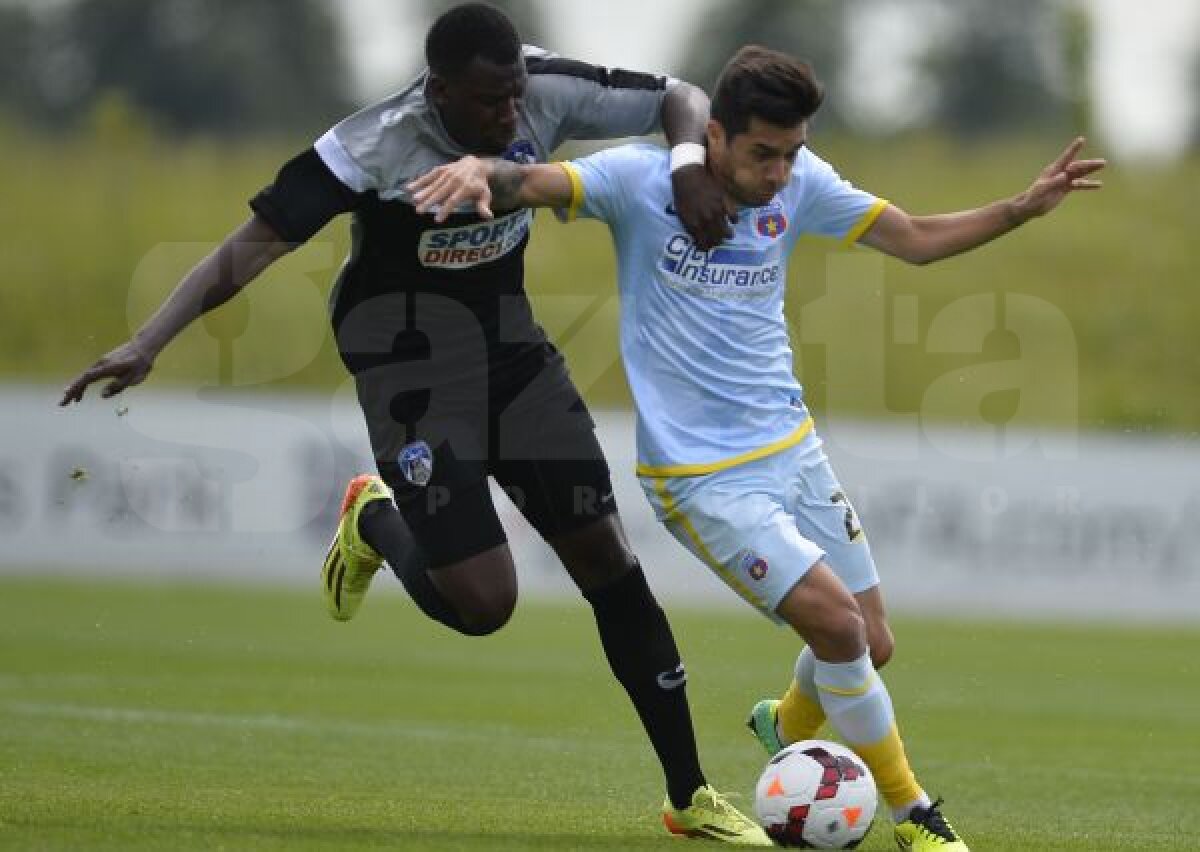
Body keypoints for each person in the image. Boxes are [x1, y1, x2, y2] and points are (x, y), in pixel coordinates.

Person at [59, 4, 771, 844]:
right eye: (486, 102)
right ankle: (372, 520)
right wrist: (148, 341)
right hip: (407, 362)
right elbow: (247, 249)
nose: (509, 117)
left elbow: (682, 95)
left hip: (511, 352)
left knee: (606, 557)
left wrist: (689, 163)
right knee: (484, 605)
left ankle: (689, 794)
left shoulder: (542, 89)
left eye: (513, 96)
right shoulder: (371, 146)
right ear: (437, 90)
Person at [409, 44, 1107, 851]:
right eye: (762, 154)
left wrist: (1020, 209)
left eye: (791, 154)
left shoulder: (801, 186)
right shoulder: (639, 183)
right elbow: (536, 183)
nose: (779, 173)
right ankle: (915, 815)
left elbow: (914, 237)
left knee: (873, 641)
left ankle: (786, 721)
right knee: (842, 634)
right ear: (714, 135)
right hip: (703, 478)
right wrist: (478, 175)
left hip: (792, 450)